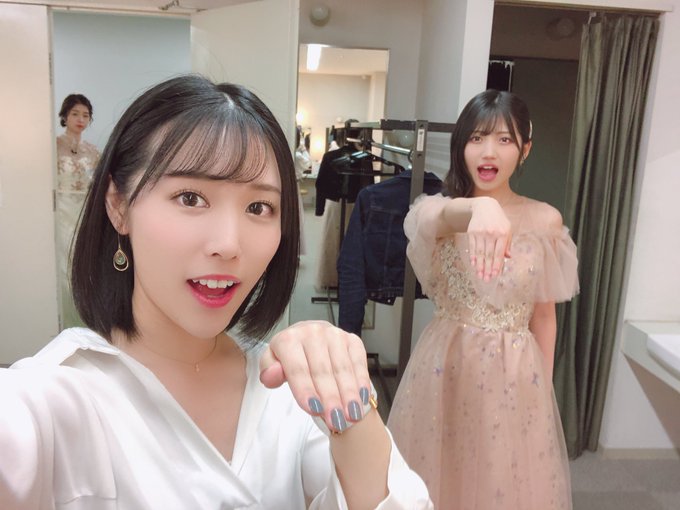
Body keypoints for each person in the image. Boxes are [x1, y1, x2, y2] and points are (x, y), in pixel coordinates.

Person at [0, 75, 432, 509]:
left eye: (259, 207)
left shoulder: (285, 394)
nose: (228, 244)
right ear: (118, 205)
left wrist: (348, 398)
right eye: (190, 198)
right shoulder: (56, 395)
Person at [387, 89, 579, 509]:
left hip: (516, 370)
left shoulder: (546, 220)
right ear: (462, 146)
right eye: (476, 138)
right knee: (442, 471)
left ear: (525, 150)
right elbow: (433, 219)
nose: (488, 151)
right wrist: (477, 210)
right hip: (446, 366)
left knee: (503, 479)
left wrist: (541, 393)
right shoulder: (439, 210)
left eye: (504, 139)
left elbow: (544, 317)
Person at [55, 93, 101, 328]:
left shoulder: (92, 150)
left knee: (84, 261)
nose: (81, 119)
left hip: (85, 210)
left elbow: (99, 183)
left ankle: (86, 320)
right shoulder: (54, 145)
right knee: (64, 261)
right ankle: (65, 320)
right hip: (62, 209)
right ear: (65, 116)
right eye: (75, 114)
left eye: (85, 115)